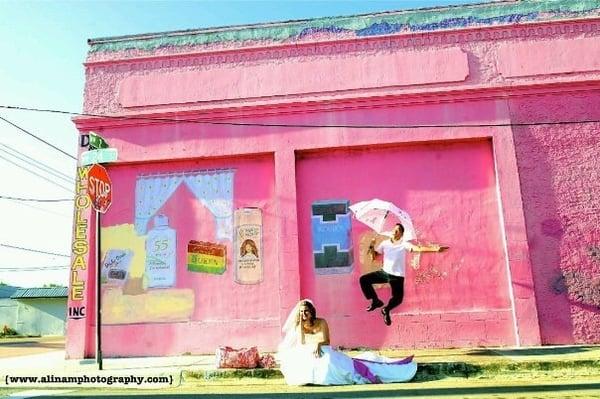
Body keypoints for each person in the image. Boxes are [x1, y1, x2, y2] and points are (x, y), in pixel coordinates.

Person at [277, 299, 417, 386]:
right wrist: (301, 326)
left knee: (335, 364)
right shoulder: (299, 326)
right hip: (309, 352)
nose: (304, 314)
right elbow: (301, 343)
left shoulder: (321, 322)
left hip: (324, 349)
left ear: (311, 311)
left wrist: (318, 344)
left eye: (306, 311)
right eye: (301, 312)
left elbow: (327, 341)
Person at [360, 223, 448, 326]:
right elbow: (374, 257)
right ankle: (375, 301)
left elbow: (417, 249)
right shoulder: (385, 243)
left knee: (398, 299)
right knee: (364, 280)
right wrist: (371, 245)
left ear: (401, 234)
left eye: (397, 231)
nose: (394, 232)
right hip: (384, 273)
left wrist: (435, 249)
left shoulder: (404, 244)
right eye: (394, 230)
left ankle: (386, 309)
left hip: (397, 276)